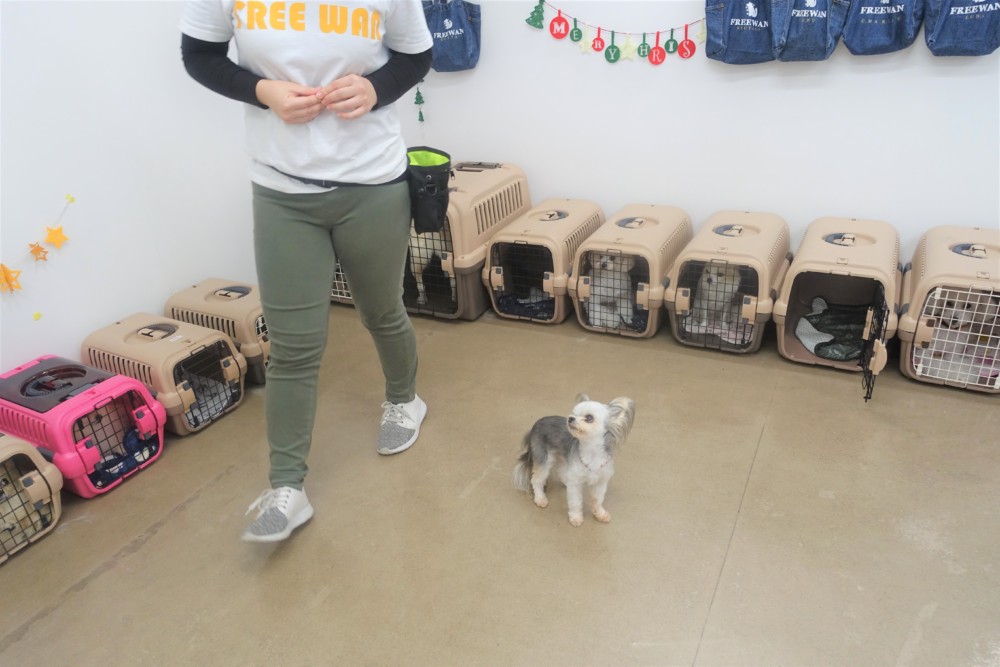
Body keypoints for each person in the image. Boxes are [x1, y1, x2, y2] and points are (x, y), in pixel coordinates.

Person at [179, 1, 434, 543]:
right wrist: (262, 91)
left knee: (381, 311)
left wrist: (375, 89)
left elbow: (416, 55)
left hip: (374, 184)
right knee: (293, 346)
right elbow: (199, 55)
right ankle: (287, 488)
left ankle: (404, 399)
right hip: (281, 191)